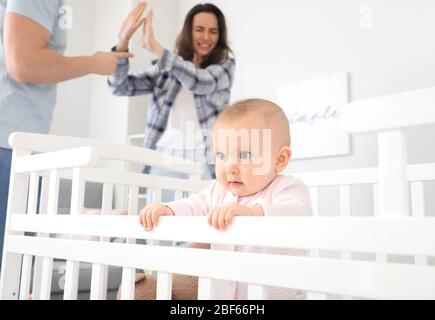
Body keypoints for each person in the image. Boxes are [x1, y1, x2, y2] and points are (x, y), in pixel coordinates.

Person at [0, 0, 132, 268]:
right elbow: (23, 64)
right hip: (9, 142)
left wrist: (119, 47)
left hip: (15, 142)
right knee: (13, 268)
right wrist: (94, 63)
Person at [138, 99, 313, 300]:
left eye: (245, 155)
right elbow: (194, 205)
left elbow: (296, 213)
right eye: (221, 156)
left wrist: (253, 212)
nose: (230, 167)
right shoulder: (218, 191)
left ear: (279, 159)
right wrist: (168, 209)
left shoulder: (287, 188)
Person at [108, 2, 235, 202]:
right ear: (188, 31)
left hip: (204, 155)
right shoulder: (166, 68)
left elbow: (200, 82)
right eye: (199, 29)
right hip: (164, 155)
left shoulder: (225, 66)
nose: (206, 37)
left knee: (204, 221)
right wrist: (123, 42)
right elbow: (120, 86)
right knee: (160, 221)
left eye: (213, 31)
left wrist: (156, 48)